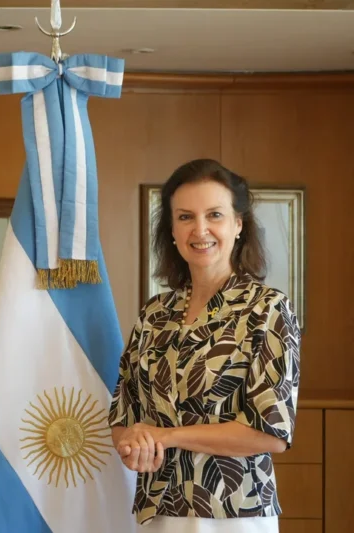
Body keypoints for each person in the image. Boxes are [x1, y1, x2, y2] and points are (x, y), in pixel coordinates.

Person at [109, 159, 300, 532]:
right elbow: (122, 417)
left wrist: (167, 436)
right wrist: (134, 445)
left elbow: (271, 432)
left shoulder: (268, 309)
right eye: (185, 217)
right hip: (157, 511)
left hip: (234, 513)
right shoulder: (154, 314)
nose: (200, 229)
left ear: (238, 224)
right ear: (172, 230)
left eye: (214, 214)